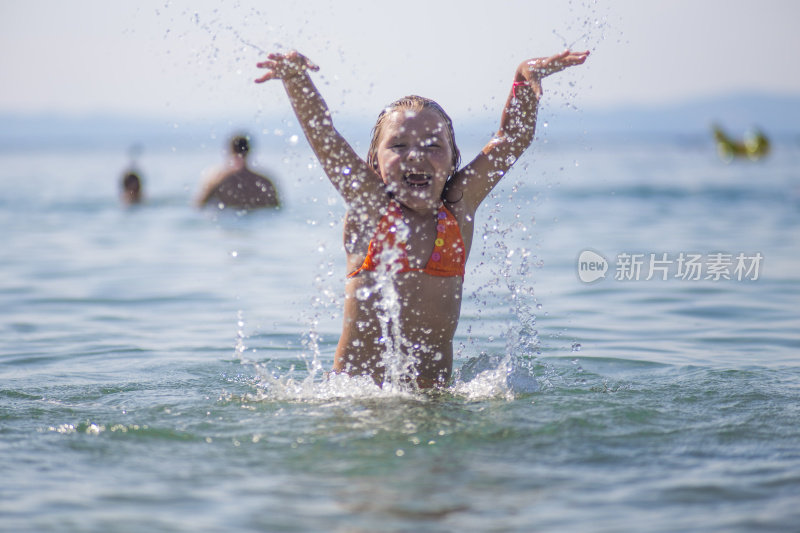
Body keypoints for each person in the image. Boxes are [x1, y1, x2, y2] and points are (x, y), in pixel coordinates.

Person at [255, 49, 588, 388]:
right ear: (373, 161)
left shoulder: (457, 209)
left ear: (453, 159)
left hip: (434, 405)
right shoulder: (370, 207)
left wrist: (522, 76)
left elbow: (512, 140)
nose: (416, 155)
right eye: (398, 146)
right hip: (356, 403)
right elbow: (325, 137)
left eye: (432, 146)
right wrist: (297, 80)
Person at [196, 134, 280, 209]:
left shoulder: (218, 180)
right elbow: (276, 208)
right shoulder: (264, 182)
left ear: (229, 151)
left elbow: (199, 206)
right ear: (249, 151)